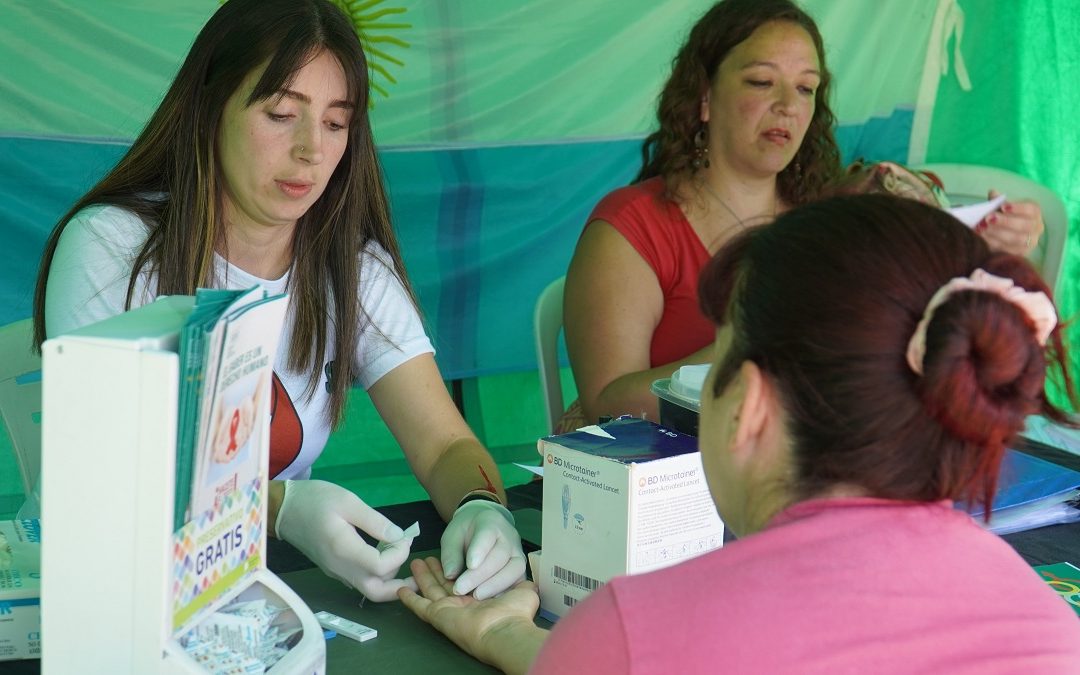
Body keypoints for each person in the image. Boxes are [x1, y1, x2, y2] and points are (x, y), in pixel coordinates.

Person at [400, 194, 1080, 674]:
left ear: (749, 402)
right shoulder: (1053, 634)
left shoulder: (633, 630)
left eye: (716, 359)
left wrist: (532, 637)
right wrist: (513, 638)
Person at [33, 0, 524, 602]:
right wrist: (277, 505)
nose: (310, 150)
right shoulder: (113, 246)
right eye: (281, 113)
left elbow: (445, 443)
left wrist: (482, 508)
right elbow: (107, 477)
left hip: (259, 594)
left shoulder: (352, 267)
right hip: (113, 592)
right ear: (210, 109)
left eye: (336, 123)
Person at [560, 0, 1045, 431]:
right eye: (762, 82)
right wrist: (755, 338)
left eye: (806, 89)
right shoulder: (632, 226)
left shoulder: (828, 218)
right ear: (704, 97)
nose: (788, 107)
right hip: (667, 493)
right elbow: (606, 407)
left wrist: (983, 255)